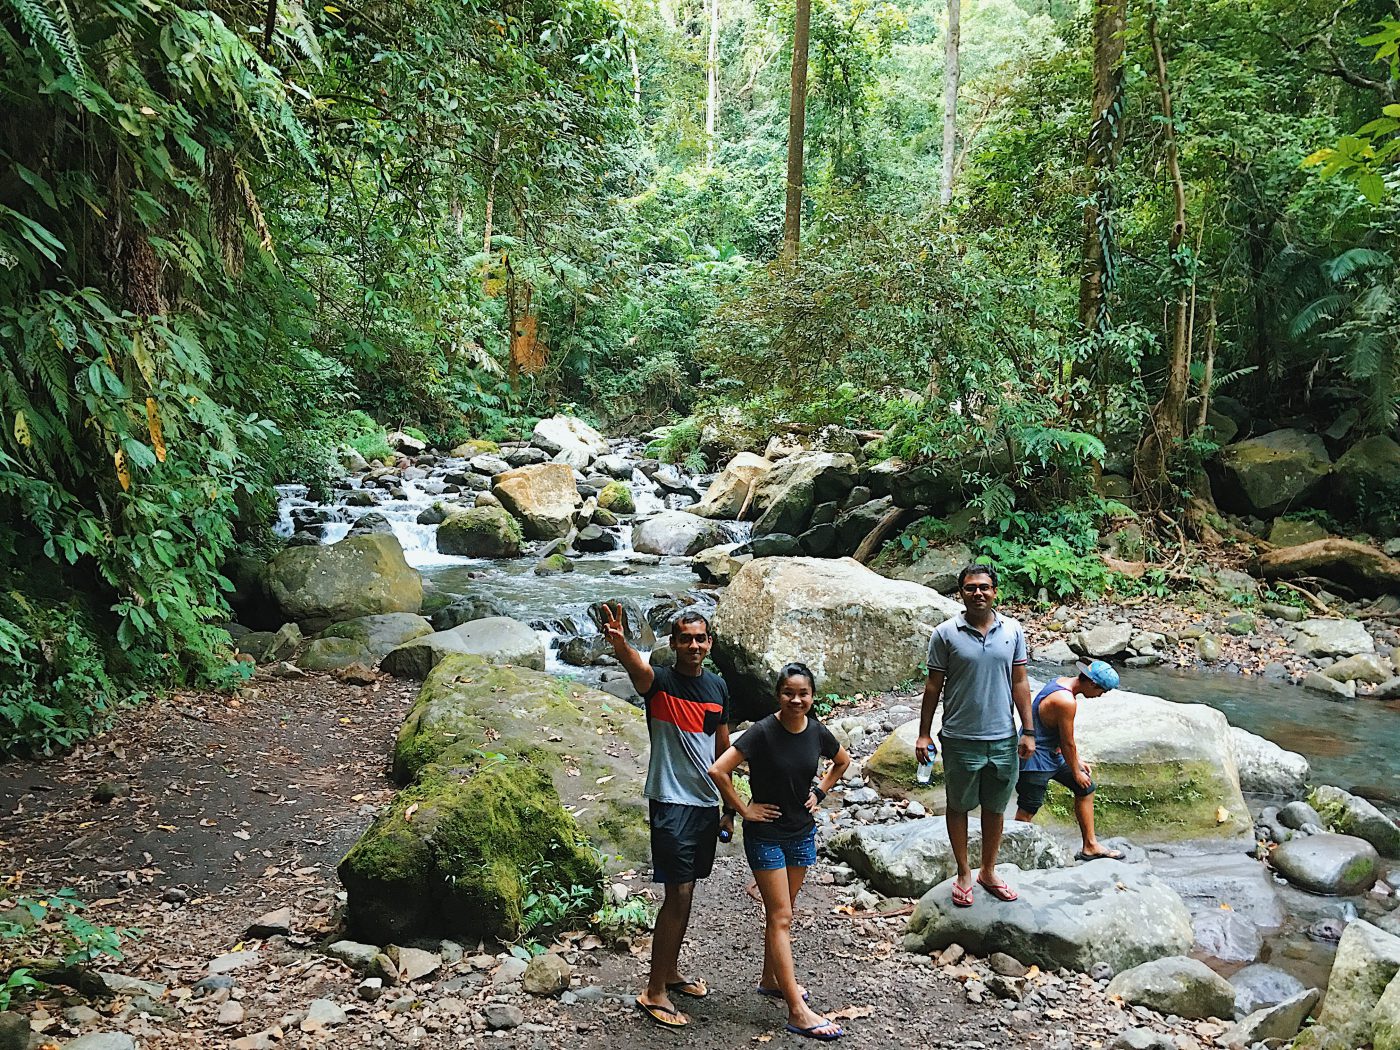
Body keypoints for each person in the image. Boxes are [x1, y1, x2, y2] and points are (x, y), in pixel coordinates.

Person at [602, 604, 732, 1030]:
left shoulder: (717, 687)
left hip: (705, 803)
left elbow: (723, 746)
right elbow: (638, 670)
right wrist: (622, 646)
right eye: (685, 638)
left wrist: (729, 807)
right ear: (672, 643)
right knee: (677, 894)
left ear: (709, 643)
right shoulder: (659, 682)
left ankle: (670, 971)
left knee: (687, 892)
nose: (693, 645)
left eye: (700, 638)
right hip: (670, 802)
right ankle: (653, 990)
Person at [709, 663, 852, 1042]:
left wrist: (819, 793)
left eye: (803, 693)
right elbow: (719, 770)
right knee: (782, 916)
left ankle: (771, 979)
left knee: (782, 912)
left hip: (801, 833)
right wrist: (744, 809)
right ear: (778, 694)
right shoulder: (762, 732)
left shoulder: (816, 730)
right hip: (766, 834)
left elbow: (842, 762)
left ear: (812, 696)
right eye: (789, 693)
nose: (796, 700)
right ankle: (797, 1010)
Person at [914, 563, 1034, 907]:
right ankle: (964, 872)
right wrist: (924, 734)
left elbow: (1020, 681)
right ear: (961, 594)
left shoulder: (1012, 631)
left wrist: (1028, 731)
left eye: (984, 587)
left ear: (995, 591)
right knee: (958, 806)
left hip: (1002, 737)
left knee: (996, 809)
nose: (978, 592)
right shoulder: (946, 634)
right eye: (970, 588)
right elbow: (933, 686)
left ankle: (989, 871)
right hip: (959, 737)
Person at [1014, 661, 1125, 861]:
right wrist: (1076, 771)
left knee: (1086, 789)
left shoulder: (1060, 681)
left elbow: (1056, 733)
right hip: (1035, 759)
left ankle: (1090, 846)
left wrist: (1077, 762)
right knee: (1027, 810)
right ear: (1091, 684)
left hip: (1053, 754)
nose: (1101, 696)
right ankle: (1011, 855)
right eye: (1102, 691)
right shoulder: (1065, 701)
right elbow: (1068, 742)